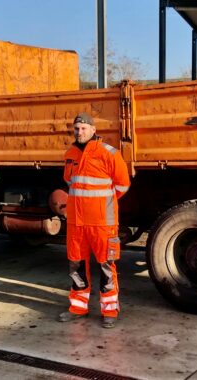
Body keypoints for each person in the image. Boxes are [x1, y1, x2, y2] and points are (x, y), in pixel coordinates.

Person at [57, 112, 130, 328]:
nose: (79, 132)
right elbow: (70, 182)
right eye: (77, 128)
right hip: (76, 223)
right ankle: (78, 308)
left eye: (84, 128)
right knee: (76, 265)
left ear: (93, 130)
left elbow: (123, 185)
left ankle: (109, 311)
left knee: (106, 266)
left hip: (102, 222)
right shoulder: (70, 153)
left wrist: (103, 205)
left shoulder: (109, 153)